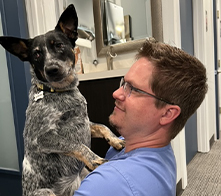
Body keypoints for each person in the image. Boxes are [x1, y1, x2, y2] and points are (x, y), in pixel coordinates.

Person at [74, 39, 208, 196]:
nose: (116, 93)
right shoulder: (159, 153)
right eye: (123, 83)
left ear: (167, 114)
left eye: (133, 89)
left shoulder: (107, 184)